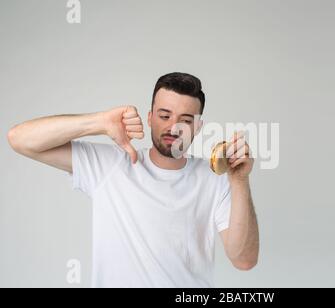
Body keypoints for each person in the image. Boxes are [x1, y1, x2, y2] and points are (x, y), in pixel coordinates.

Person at [7, 72, 259, 288]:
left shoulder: (214, 179)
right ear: (149, 117)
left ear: (198, 127)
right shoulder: (109, 165)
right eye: (164, 115)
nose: (174, 128)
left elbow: (244, 259)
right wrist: (99, 123)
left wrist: (239, 181)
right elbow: (20, 139)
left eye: (185, 120)